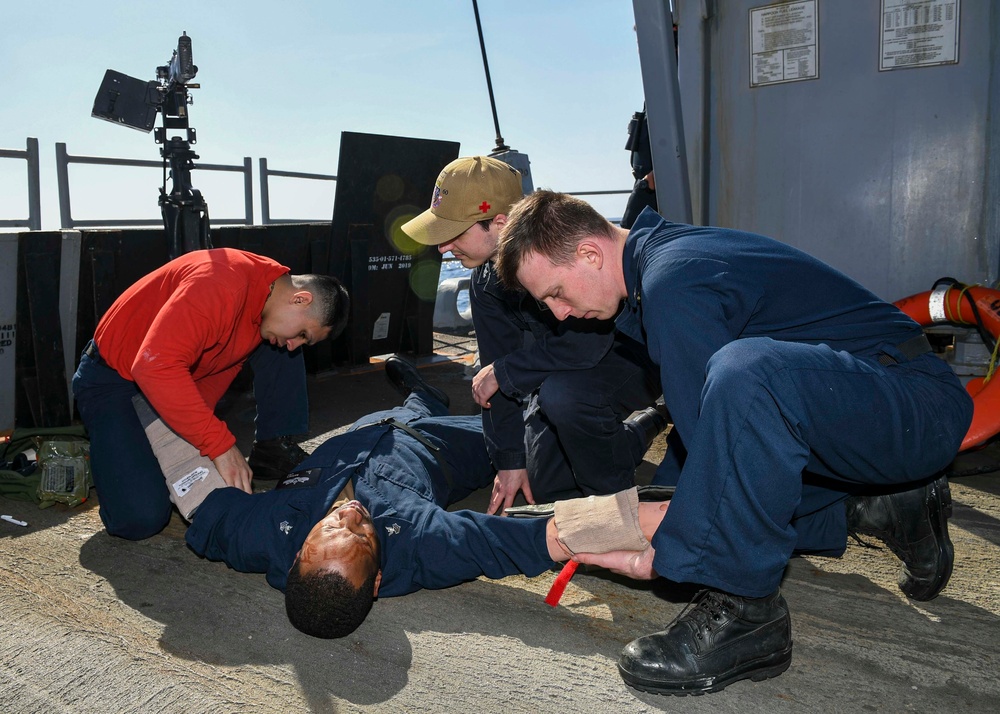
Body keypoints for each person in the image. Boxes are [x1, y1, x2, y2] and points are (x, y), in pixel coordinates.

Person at [493, 191, 974, 695]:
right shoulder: (661, 261)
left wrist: (678, 550)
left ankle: (747, 610)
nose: (560, 314)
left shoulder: (672, 280)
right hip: (868, 408)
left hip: (916, 407)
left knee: (742, 395)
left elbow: (725, 457)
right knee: (684, 495)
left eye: (555, 293)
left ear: (590, 254)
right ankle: (884, 508)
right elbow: (723, 449)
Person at [183, 355, 671, 638]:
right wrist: (640, 520)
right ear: (376, 582)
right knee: (549, 449)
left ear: (293, 560)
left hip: (366, 428)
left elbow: (202, 514)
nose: (350, 514)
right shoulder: (422, 546)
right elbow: (529, 539)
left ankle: (422, 397)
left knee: (398, 413)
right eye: (362, 535)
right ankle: (647, 421)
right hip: (442, 449)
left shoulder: (261, 535)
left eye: (332, 526)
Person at [401, 156, 663, 515]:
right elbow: (497, 368)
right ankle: (641, 428)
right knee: (545, 485)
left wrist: (508, 371)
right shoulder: (486, 282)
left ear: (499, 223)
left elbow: (589, 342)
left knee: (565, 397)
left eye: (453, 234)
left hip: (629, 356)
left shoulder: (560, 252)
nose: (442, 248)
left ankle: (616, 513)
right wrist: (509, 460)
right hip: (563, 368)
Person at [72, 247, 350, 540]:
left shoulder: (267, 305)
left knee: (279, 349)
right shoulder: (221, 283)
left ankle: (269, 447)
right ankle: (110, 451)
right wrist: (219, 445)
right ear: (300, 298)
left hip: (166, 378)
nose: (295, 345)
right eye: (303, 334)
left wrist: (187, 446)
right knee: (139, 520)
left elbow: (214, 374)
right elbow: (155, 367)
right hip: (115, 378)